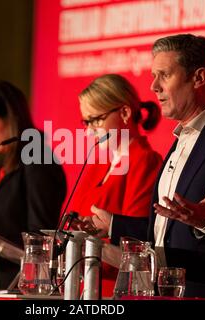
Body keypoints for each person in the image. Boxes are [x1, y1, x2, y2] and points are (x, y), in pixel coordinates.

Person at [88, 34, 205, 299]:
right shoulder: (180, 141)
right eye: (153, 75)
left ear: (199, 78)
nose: (153, 86)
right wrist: (114, 224)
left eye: (164, 75)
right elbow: (166, 231)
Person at [69, 74, 163, 296]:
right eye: (86, 122)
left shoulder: (145, 161)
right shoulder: (99, 164)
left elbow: (135, 244)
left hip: (117, 291)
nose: (89, 131)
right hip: (83, 286)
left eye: (96, 120)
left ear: (124, 113)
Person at [0, 80, 67, 289]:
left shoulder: (38, 159)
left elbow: (40, 234)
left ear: (11, 117)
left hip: (18, 285)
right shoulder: (5, 164)